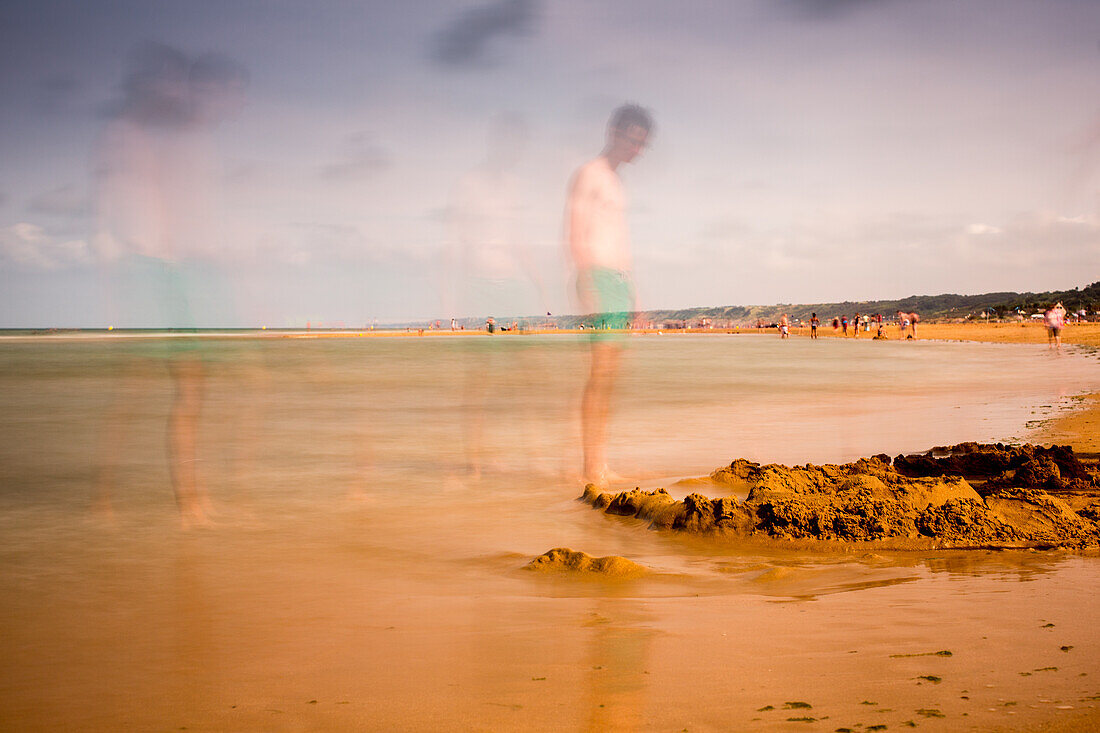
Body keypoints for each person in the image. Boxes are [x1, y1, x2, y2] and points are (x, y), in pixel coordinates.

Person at [566, 103, 651, 485]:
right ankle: (590, 467)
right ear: (615, 133)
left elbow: (619, 238)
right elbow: (576, 230)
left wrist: (634, 295)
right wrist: (587, 286)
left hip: (618, 281)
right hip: (597, 278)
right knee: (598, 376)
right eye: (633, 141)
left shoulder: (617, 182)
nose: (637, 150)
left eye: (642, 145)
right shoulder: (590, 174)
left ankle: (599, 462)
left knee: (610, 378)